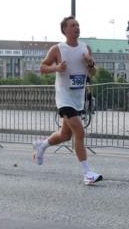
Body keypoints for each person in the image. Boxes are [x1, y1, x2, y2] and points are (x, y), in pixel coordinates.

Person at [31, 16, 102, 185]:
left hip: (78, 98)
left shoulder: (86, 48)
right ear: (65, 30)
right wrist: (57, 67)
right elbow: (42, 67)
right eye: (73, 25)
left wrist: (90, 63)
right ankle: (87, 173)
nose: (77, 28)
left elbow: (93, 73)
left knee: (65, 135)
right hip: (63, 97)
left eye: (78, 25)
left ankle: (42, 145)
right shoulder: (57, 49)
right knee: (80, 132)